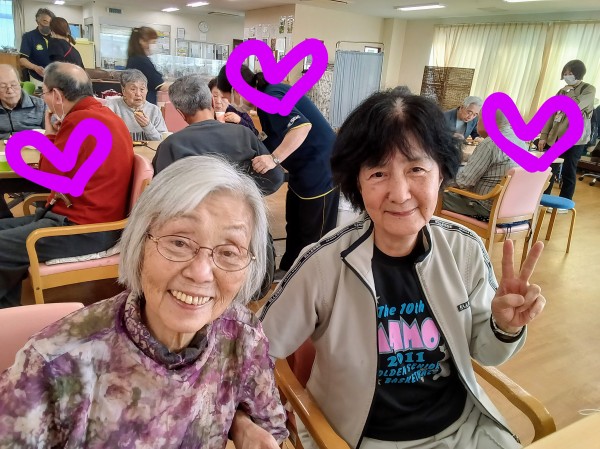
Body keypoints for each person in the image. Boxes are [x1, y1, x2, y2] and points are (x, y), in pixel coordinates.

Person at [255, 89, 546, 449]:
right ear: (357, 183)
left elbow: (486, 353)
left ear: (441, 174)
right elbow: (257, 348)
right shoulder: (322, 264)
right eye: (378, 173)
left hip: (463, 430)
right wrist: (261, 419)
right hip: (358, 438)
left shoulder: (464, 250)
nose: (400, 193)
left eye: (416, 169)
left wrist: (504, 326)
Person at [0, 156, 289, 447]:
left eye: (228, 252)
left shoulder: (241, 333)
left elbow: (270, 425)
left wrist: (240, 424)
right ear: (140, 244)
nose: (201, 273)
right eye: (179, 242)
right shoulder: (54, 365)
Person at [0, 62, 134, 308]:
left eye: (44, 93)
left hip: (84, 228)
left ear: (57, 95)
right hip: (87, 218)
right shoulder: (105, 116)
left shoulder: (79, 120)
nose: (44, 99)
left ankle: (8, 318)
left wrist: (50, 133)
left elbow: (49, 176)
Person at [217, 65, 339, 278]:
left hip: (320, 167)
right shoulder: (264, 100)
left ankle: (312, 279)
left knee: (313, 229)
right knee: (295, 221)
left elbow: (301, 127)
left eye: (227, 98)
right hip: (302, 168)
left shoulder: (271, 95)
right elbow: (272, 135)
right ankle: (289, 268)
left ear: (237, 90)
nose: (228, 103)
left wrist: (274, 159)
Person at [153, 74, 283, 196]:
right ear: (212, 102)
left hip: (192, 210)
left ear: (180, 113)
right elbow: (276, 178)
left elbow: (159, 191)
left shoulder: (171, 145)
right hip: (236, 208)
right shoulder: (244, 134)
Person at [442, 110, 520, 218]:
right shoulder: (518, 140)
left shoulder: (491, 143)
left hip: (483, 207)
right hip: (510, 210)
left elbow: (464, 181)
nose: (477, 123)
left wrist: (439, 179)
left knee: (432, 198)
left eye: (478, 120)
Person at [539, 59, 596, 200]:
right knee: (549, 170)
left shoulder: (588, 89)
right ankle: (543, 198)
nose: (566, 76)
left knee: (568, 171)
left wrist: (569, 91)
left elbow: (575, 106)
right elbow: (551, 114)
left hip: (575, 139)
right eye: (565, 73)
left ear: (578, 74)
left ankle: (564, 202)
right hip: (555, 137)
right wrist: (544, 136)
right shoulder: (561, 91)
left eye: (570, 73)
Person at [0, 64, 48, 218]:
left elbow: (52, 135)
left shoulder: (40, 105)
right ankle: (5, 221)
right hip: (3, 163)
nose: (10, 90)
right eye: (3, 86)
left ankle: (42, 218)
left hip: (35, 164)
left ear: (20, 83)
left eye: (13, 84)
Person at [105, 69, 167, 141]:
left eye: (142, 89)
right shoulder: (112, 107)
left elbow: (162, 141)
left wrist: (147, 126)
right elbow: (104, 137)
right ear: (123, 91)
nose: (138, 94)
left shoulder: (154, 110)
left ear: (147, 90)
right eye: (133, 89)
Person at [126, 26, 169, 105]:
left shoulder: (133, 58)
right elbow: (161, 86)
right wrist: (182, 86)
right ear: (142, 41)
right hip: (145, 104)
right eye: (153, 42)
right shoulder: (142, 61)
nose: (155, 45)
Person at [19, 8, 55, 88]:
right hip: (37, 78)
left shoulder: (55, 37)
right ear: (38, 22)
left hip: (54, 78)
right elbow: (22, 60)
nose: (48, 25)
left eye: (50, 22)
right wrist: (35, 67)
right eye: (45, 21)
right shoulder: (28, 37)